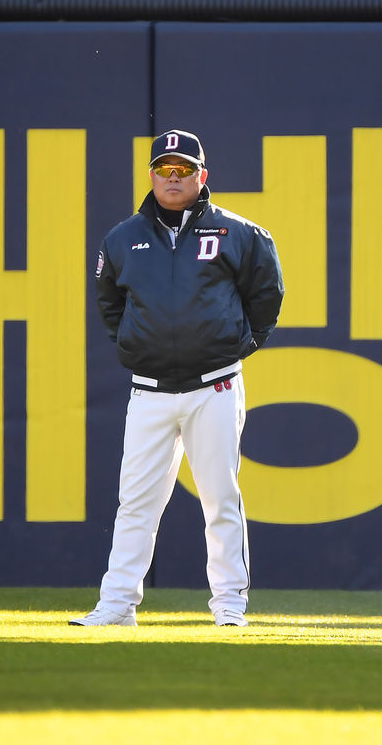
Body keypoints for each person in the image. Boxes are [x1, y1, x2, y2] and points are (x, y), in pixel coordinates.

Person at [71, 129, 284, 627]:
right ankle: (117, 606)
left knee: (220, 499)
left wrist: (236, 346)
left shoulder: (237, 232)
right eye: (164, 169)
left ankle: (230, 606)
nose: (173, 177)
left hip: (214, 384)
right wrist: (136, 345)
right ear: (150, 176)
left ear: (201, 176)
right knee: (136, 503)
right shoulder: (123, 237)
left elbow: (266, 297)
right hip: (149, 388)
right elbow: (109, 303)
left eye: (183, 169)